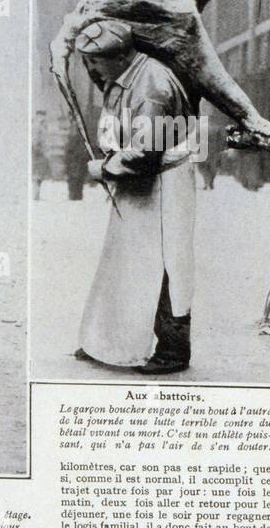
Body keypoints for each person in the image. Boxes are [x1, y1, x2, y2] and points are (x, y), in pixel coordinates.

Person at [73, 20, 198, 375]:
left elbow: (146, 153)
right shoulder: (122, 76)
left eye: (95, 62)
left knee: (166, 264)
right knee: (123, 263)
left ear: (119, 56)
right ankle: (109, 341)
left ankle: (174, 350)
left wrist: (106, 168)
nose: (91, 69)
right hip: (137, 180)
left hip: (164, 182)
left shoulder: (152, 85)